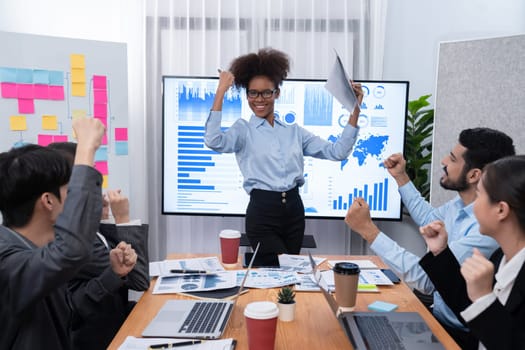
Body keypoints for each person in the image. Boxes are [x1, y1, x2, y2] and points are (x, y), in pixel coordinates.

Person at [344, 127, 515, 348]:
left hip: (459, 335)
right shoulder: (461, 204)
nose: (444, 161)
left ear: (474, 176)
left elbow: (427, 280)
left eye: (452, 159)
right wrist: (401, 177)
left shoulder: (485, 230)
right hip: (438, 319)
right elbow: (430, 219)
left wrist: (368, 231)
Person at [204, 47, 363, 254]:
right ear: (247, 94)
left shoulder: (294, 132)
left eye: (266, 92)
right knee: (277, 268)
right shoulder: (243, 130)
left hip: (294, 213)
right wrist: (221, 91)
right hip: (262, 214)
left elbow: (338, 152)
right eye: (253, 93)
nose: (259, 99)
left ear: (276, 93)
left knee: (290, 277)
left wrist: (356, 108)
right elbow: (213, 140)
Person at [0, 118, 125, 349]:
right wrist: (87, 148)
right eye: (72, 189)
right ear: (48, 201)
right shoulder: (7, 262)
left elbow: (70, 316)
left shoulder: (36, 253)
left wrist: (113, 275)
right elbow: (72, 249)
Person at [48, 141, 149, 350]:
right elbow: (138, 278)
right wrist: (122, 218)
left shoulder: (81, 232)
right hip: (99, 338)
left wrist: (100, 218)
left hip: (112, 328)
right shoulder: (74, 240)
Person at [419, 155, 525, 350]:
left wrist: (485, 299)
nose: (472, 205)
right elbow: (467, 308)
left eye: (479, 195)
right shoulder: (500, 257)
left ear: (501, 210)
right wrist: (440, 252)